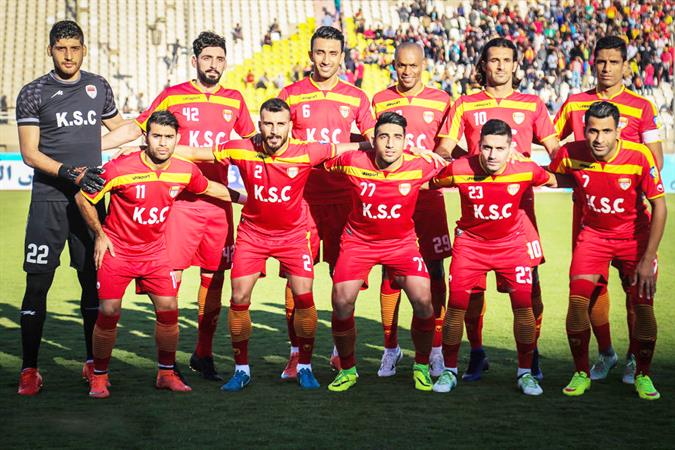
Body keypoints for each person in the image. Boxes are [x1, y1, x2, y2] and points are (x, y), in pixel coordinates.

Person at [174, 98, 373, 392]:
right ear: (260, 124)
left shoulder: (305, 151)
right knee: (239, 298)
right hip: (253, 236)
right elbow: (194, 153)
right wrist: (149, 150)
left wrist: (383, 146)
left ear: (290, 126)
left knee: (305, 298)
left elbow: (349, 147)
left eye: (280, 124)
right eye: (268, 123)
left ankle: (304, 365)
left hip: (294, 237)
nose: (274, 130)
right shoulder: (239, 148)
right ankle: (241, 369)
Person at [100, 31, 255, 381]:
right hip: (178, 204)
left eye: (219, 59)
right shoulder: (173, 96)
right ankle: (166, 367)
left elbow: (247, 148)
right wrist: (95, 145)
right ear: (194, 61)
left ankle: (203, 353)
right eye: (207, 58)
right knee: (171, 284)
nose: (213, 65)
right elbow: (138, 129)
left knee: (214, 280)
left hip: (217, 204)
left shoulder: (235, 101)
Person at [76, 110, 233, 398]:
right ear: (146, 137)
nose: (162, 143)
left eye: (169, 137)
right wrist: (100, 234)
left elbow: (210, 189)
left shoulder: (184, 170)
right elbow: (83, 197)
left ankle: (166, 374)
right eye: (157, 136)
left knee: (169, 311)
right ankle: (99, 376)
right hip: (118, 252)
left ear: (177, 140)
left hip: (155, 253)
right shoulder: (120, 168)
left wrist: (249, 199)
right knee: (109, 313)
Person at [436, 37, 559, 382]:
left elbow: (555, 152)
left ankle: (530, 357)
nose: (501, 66)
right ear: (483, 65)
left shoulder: (532, 104)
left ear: (516, 65)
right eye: (494, 60)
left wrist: (528, 162)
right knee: (471, 292)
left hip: (521, 215)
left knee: (530, 290)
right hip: (478, 214)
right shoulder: (465, 104)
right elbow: (444, 150)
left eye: (507, 60)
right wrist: (471, 164)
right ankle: (476, 353)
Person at [15, 20, 125, 395]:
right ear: (50, 50)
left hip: (91, 199)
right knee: (37, 284)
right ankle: (29, 370)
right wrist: (70, 173)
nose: (68, 54)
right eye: (61, 48)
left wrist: (146, 132)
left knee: (92, 282)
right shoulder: (33, 93)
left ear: (83, 49)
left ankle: (94, 365)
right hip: (49, 199)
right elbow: (30, 154)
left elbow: (121, 131)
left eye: (74, 47)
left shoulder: (99, 88)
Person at [553, 36, 664, 385]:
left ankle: (635, 358)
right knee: (591, 290)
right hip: (587, 217)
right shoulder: (574, 103)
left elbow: (654, 160)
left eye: (614, 62)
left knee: (636, 294)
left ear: (625, 66)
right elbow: (554, 147)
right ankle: (605, 353)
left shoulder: (642, 107)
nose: (606, 68)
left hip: (630, 218)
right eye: (600, 61)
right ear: (592, 62)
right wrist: (585, 181)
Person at [277, 26, 376, 377]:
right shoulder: (290, 94)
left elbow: (374, 142)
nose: (326, 59)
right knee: (296, 278)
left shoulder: (357, 98)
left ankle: (337, 350)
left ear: (342, 56)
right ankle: (295, 352)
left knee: (342, 278)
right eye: (320, 52)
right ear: (310, 54)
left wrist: (345, 153)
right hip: (300, 202)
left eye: (333, 53)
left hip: (345, 201)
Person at [325, 112, 443, 392]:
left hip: (401, 244)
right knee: (341, 302)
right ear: (374, 140)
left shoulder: (420, 165)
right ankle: (348, 369)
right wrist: (360, 146)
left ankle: (422, 366)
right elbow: (321, 160)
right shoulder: (353, 162)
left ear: (406, 141)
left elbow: (462, 168)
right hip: (358, 244)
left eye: (397, 138)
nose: (390, 144)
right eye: (383, 137)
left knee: (424, 301)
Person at [371, 42, 451, 377]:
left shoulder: (443, 101)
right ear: (394, 65)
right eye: (401, 66)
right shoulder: (379, 100)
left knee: (434, 272)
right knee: (391, 272)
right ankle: (391, 348)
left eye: (413, 66)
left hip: (429, 199)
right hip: (391, 199)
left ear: (423, 66)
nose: (407, 72)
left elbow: (448, 148)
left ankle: (435, 349)